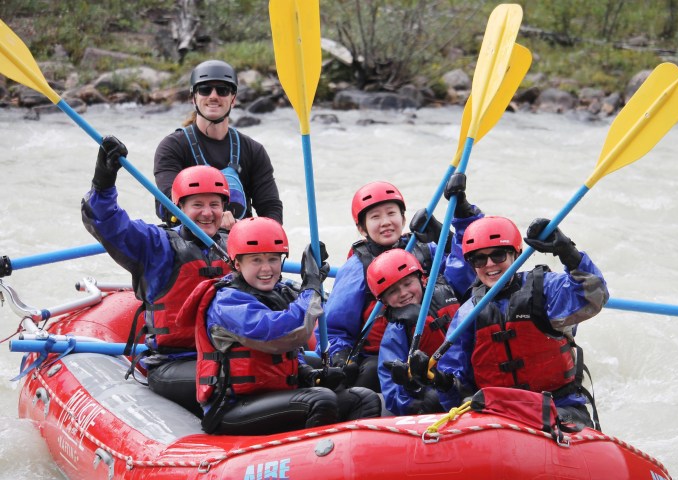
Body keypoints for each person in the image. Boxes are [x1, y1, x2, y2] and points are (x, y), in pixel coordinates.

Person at [175, 217, 381, 434]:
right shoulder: (226, 302)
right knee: (321, 400)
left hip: (275, 396)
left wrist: (309, 373)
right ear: (237, 264)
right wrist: (311, 287)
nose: (266, 269)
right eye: (256, 260)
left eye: (273, 259)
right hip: (233, 407)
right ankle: (311, 461)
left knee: (363, 399)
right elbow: (281, 334)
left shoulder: (279, 292)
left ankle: (350, 463)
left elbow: (290, 354)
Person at [408, 215, 609, 428]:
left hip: (558, 408)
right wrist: (437, 379)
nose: (490, 265)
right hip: (498, 415)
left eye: (498, 255)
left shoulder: (545, 290)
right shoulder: (467, 314)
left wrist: (567, 251)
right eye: (479, 259)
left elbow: (594, 295)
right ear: (472, 264)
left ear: (516, 254)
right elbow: (458, 388)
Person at [81, 136, 234, 415]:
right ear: (179, 209)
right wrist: (103, 180)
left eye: (214, 204)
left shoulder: (235, 246)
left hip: (227, 355)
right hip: (174, 362)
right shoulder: (157, 245)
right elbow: (108, 222)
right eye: (197, 204)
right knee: (239, 376)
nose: (207, 213)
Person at [322, 174, 481, 393]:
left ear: (403, 219)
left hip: (439, 350)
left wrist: (448, 233)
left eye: (391, 213)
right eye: (375, 217)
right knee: (368, 374)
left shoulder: (425, 247)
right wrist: (340, 358)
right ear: (362, 228)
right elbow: (336, 328)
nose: (386, 222)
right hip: (385, 357)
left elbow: (468, 271)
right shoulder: (357, 267)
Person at [154, 59, 282, 229]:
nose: (213, 96)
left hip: (239, 244)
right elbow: (168, 203)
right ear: (194, 98)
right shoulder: (172, 147)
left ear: (233, 99)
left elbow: (271, 208)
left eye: (222, 90)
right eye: (205, 90)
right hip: (189, 242)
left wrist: (253, 232)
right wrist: (211, 220)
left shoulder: (253, 150)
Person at [368, 249, 460, 415]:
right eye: (392, 291)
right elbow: (393, 396)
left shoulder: (448, 291)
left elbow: (464, 266)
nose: (403, 293)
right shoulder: (396, 332)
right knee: (432, 399)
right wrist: (411, 387)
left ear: (422, 278)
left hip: (461, 381)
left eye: (407, 283)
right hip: (437, 394)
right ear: (384, 301)